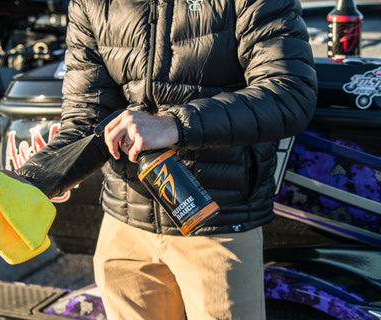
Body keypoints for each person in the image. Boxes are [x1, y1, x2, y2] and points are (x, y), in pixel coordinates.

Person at [16, 0, 318, 318]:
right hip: (124, 228)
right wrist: (29, 180)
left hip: (216, 226)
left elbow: (289, 93)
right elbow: (87, 118)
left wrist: (173, 124)